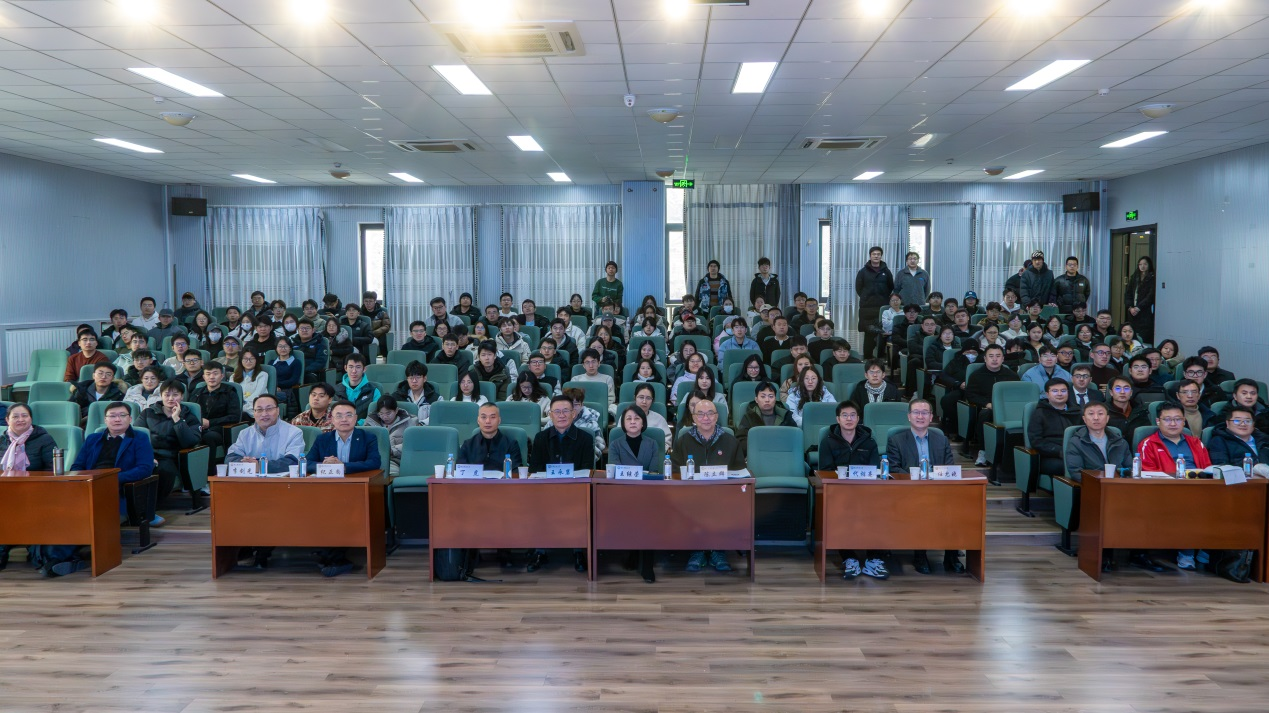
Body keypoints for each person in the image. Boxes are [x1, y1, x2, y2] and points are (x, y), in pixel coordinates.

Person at [36, 402, 157, 576]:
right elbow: (78, 465)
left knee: (85, 513)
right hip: (87, 488)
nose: (117, 419)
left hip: (117, 491)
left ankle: (57, 559)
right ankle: (58, 558)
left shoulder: (139, 438)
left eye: (122, 415)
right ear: (105, 420)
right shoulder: (93, 439)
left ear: (130, 419)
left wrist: (109, 479)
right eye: (112, 416)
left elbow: (144, 469)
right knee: (58, 510)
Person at [299, 400, 381, 577]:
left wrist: (343, 466)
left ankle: (332, 556)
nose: (344, 419)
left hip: (356, 491)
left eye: (349, 415)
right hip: (326, 491)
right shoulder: (323, 439)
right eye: (339, 415)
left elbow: (374, 462)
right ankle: (331, 555)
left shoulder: (368, 438)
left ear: (356, 418)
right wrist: (325, 465)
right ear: (332, 419)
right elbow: (307, 462)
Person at [224, 393, 305, 565]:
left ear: (278, 410)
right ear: (253, 413)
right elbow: (230, 458)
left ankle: (263, 548)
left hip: (284, 488)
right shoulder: (245, 434)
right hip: (250, 488)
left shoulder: (294, 432)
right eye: (259, 410)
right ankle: (243, 544)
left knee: (268, 505)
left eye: (269, 409)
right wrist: (244, 462)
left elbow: (292, 461)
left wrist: (258, 465)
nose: (264, 414)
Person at [886, 399, 963, 574]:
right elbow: (894, 469)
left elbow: (949, 467)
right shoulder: (896, 440)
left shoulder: (941, 440)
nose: (920, 416)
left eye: (925, 413)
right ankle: (920, 555)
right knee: (921, 505)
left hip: (938, 490)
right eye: (916, 412)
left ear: (931, 417)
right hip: (908, 491)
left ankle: (951, 555)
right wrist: (917, 480)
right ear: (909, 416)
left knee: (959, 503)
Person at [525, 394, 597, 573]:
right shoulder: (541, 438)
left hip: (575, 490)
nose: (561, 415)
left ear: (573, 413)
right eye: (557, 411)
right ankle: (540, 551)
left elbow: (587, 469)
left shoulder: (585, 438)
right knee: (536, 504)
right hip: (546, 490)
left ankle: (578, 550)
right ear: (550, 415)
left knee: (581, 503)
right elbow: (534, 468)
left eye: (566, 411)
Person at [1139, 402, 1213, 572]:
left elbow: (1208, 469)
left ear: (1184, 421)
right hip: (1165, 492)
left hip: (1199, 489)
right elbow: (1148, 474)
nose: (1173, 423)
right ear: (1158, 421)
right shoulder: (1148, 444)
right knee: (1187, 505)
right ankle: (1187, 553)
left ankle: (1209, 550)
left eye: (1178, 419)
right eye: (1168, 419)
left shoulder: (1196, 443)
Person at [672, 399, 744, 573]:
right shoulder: (683, 441)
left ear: (716, 417)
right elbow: (674, 472)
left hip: (721, 495)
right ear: (693, 418)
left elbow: (740, 472)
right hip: (691, 495)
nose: (706, 418)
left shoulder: (730, 441)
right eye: (701, 414)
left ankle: (717, 550)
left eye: (710, 413)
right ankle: (697, 550)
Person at [818, 401, 887, 580]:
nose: (849, 419)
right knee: (839, 511)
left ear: (858, 418)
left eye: (852, 415)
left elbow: (874, 469)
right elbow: (825, 470)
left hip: (866, 492)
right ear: (838, 419)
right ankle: (849, 558)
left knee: (880, 510)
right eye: (845, 415)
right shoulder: (827, 442)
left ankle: (874, 559)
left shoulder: (869, 442)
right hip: (839, 492)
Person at [608, 404, 661, 583]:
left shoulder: (652, 443)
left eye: (637, 418)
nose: (632, 422)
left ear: (643, 422)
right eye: (628, 419)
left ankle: (647, 564)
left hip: (647, 493)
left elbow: (654, 472)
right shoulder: (615, 444)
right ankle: (633, 552)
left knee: (648, 514)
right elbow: (615, 472)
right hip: (623, 494)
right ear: (623, 423)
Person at [141, 380, 202, 499]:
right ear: (161, 395)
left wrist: (177, 419)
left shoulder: (189, 417)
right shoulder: (148, 413)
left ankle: (153, 505)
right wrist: (147, 456)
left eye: (175, 395)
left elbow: (190, 442)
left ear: (182, 396)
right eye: (167, 394)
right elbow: (137, 436)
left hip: (172, 457)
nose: (170, 398)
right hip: (149, 454)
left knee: (164, 470)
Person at [963, 344, 1020, 464]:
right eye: (991, 356)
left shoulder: (1012, 375)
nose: (994, 359)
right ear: (985, 358)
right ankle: (983, 451)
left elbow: (1016, 395)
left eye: (998, 356)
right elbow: (971, 395)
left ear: (1003, 359)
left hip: (1007, 408)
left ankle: (1014, 454)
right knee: (985, 415)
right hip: (987, 407)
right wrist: (987, 404)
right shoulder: (976, 375)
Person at [1028, 378, 1083, 476]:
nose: (1060, 394)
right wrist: (1059, 451)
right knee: (1062, 466)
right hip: (1052, 455)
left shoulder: (1077, 411)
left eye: (1063, 391)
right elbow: (1036, 441)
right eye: (1055, 391)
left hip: (1076, 452)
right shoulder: (1040, 413)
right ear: (1047, 394)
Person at [457, 403, 522, 471]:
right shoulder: (468, 445)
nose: (488, 421)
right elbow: (460, 471)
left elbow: (516, 473)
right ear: (478, 420)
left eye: (492, 417)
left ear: (499, 420)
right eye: (483, 417)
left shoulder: (511, 444)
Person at [735, 380, 795, 452]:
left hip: (781, 453)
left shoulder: (785, 416)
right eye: (763, 396)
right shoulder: (749, 417)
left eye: (771, 396)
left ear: (775, 399)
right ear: (756, 400)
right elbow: (740, 441)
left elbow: (794, 438)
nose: (767, 400)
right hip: (757, 454)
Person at [334, 352, 381, 422]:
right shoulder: (336, 390)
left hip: (365, 427)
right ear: (345, 368)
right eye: (351, 367)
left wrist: (359, 423)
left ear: (364, 369)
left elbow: (377, 414)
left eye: (358, 367)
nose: (354, 371)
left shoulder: (373, 390)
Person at [574, 348, 616, 413]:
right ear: (583, 365)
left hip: (601, 411)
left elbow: (610, 399)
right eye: (587, 362)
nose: (591, 366)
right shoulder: (576, 379)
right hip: (580, 411)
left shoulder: (607, 379)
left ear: (598, 363)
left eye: (593, 362)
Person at [1124, 255, 1155, 342]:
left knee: (1144, 334)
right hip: (1132, 311)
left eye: (1145, 264)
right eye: (1140, 264)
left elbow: (1150, 296)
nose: (1142, 266)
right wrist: (1130, 307)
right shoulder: (1135, 277)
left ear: (1149, 265)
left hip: (1145, 311)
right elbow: (1128, 293)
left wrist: (1139, 307)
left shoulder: (1152, 278)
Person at [233, 350, 270, 417]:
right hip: (237, 406)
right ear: (241, 360)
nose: (248, 361)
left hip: (254, 407)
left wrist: (243, 403)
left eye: (252, 359)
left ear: (256, 360)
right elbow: (231, 393)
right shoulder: (233, 376)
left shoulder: (262, 375)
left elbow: (258, 393)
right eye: (245, 359)